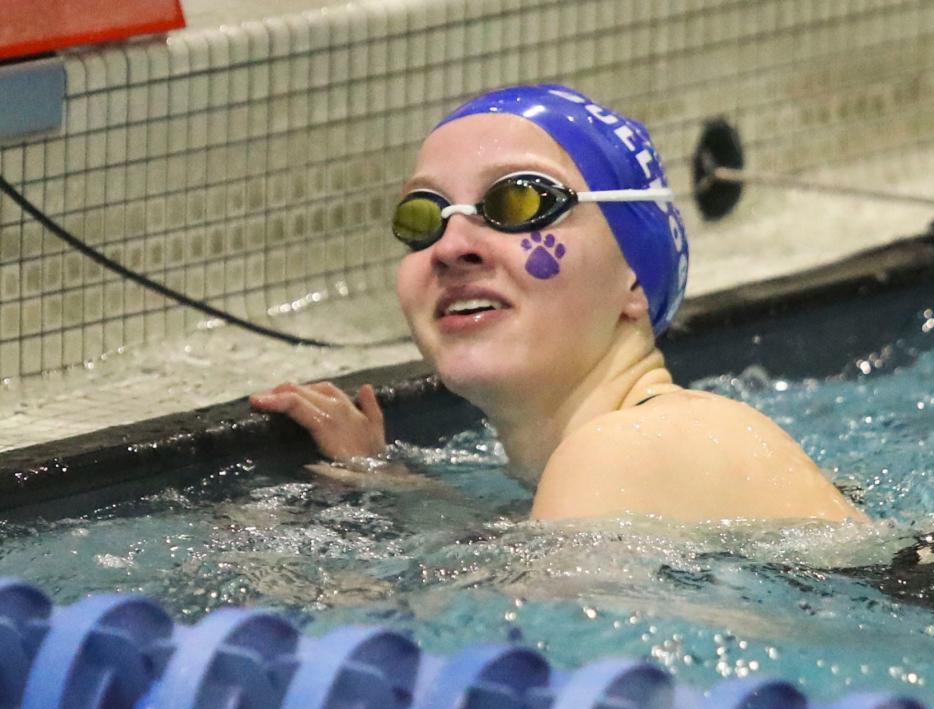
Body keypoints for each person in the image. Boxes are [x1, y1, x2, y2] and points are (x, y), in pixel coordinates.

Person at [250, 84, 865, 524]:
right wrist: (385, 481)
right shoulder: (633, 448)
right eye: (424, 215)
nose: (452, 247)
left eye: (519, 201)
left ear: (634, 277)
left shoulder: (625, 449)